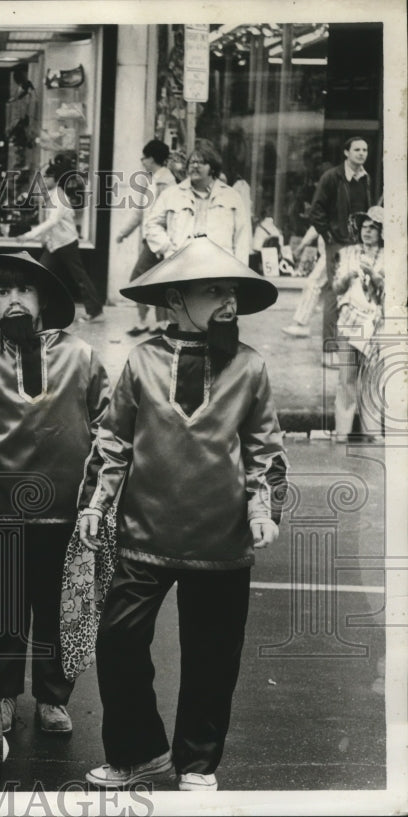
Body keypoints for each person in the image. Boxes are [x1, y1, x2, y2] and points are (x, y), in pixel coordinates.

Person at [77, 237, 288, 792]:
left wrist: (262, 508)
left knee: (212, 657)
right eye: (214, 290)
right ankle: (138, 751)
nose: (229, 303)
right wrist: (97, 503)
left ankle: (197, 763)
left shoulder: (250, 367)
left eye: (233, 292)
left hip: (222, 540)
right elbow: (113, 441)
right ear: (175, 298)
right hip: (143, 534)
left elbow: (264, 449)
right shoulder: (141, 360)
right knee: (118, 642)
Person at [0, 251, 110, 735]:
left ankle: (53, 698)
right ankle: (0, 696)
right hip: (3, 510)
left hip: (68, 511)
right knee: (3, 611)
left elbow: (107, 425)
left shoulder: (81, 356)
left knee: (59, 611)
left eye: (24, 290)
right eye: (2, 292)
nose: (14, 300)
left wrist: (96, 496)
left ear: (43, 300)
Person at [308, 136, 373, 361]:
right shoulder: (332, 177)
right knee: (335, 294)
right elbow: (316, 211)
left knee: (357, 294)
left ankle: (353, 350)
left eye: (364, 150)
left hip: (358, 244)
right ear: (346, 153)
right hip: (337, 244)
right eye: (357, 150)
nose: (361, 153)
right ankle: (329, 351)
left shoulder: (365, 178)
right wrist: (329, 236)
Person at [18, 162, 104, 323]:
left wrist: (30, 235)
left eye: (47, 176)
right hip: (55, 245)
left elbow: (52, 221)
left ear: (55, 179)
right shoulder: (52, 195)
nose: (44, 179)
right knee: (41, 272)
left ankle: (95, 310)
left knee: (79, 277)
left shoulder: (59, 197)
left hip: (66, 244)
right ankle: (35, 308)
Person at [144, 139, 251, 265]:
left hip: (219, 268)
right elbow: (152, 225)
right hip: (181, 267)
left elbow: (242, 238)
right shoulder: (171, 195)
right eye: (192, 162)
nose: (195, 166)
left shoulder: (231, 196)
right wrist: (168, 249)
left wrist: (239, 272)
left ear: (212, 167)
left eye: (201, 162)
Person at [332, 207, 385, 442]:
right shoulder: (348, 253)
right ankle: (342, 432)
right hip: (350, 322)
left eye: (373, 227)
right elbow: (336, 288)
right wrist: (347, 276)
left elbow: (394, 294)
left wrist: (374, 276)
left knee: (372, 379)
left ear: (382, 232)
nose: (368, 231)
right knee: (346, 378)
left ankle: (372, 431)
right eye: (365, 226)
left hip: (376, 324)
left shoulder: (390, 256)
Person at [116, 139, 177, 336]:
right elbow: (140, 213)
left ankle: (149, 322)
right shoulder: (151, 180)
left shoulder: (166, 183)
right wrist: (123, 232)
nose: (142, 160)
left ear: (152, 158)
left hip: (159, 241)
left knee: (138, 278)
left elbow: (169, 216)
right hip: (151, 239)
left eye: (144, 157)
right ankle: (159, 323)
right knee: (157, 280)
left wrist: (166, 243)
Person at [281, 225, 326, 339]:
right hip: (332, 251)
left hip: (334, 251)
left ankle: (301, 324)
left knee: (312, 283)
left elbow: (317, 226)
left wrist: (301, 246)